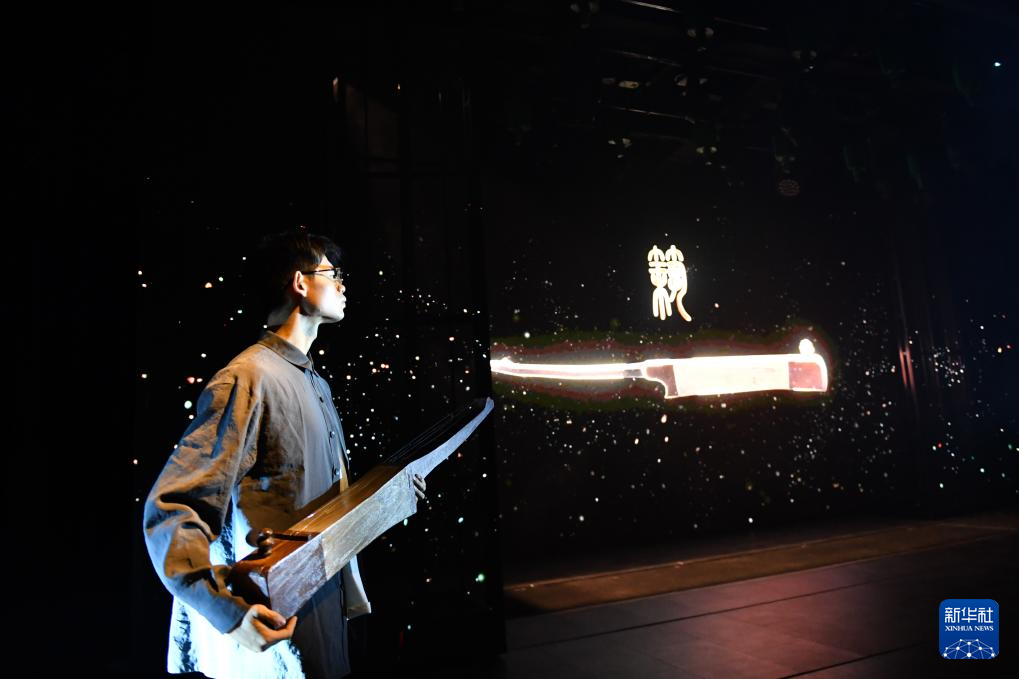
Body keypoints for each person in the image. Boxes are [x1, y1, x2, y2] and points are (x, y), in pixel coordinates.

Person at [143, 231, 426, 679]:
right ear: (300, 282)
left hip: (321, 619)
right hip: (271, 633)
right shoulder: (247, 379)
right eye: (333, 274)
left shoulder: (315, 383)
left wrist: (390, 499)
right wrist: (228, 613)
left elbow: (323, 507)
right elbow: (173, 511)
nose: (343, 285)